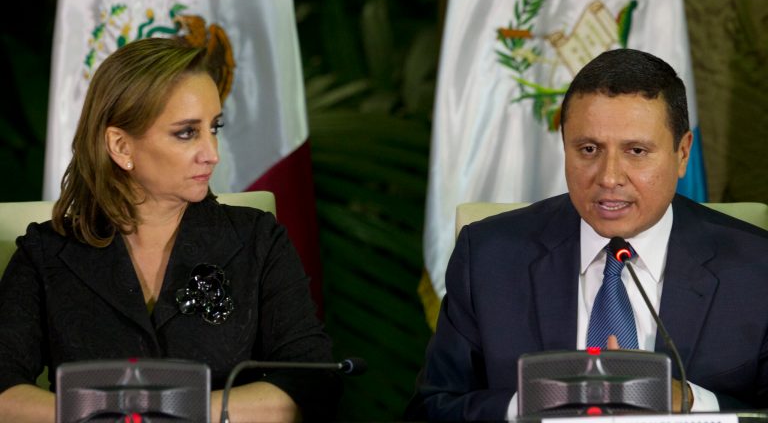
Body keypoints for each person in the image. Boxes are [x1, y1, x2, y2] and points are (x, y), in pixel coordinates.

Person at [409, 48, 768, 420]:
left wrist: (690, 402)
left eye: (637, 151)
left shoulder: (757, 269)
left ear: (682, 153)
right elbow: (431, 409)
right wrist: (536, 401)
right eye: (589, 149)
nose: (609, 177)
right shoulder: (489, 257)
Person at [0, 38, 341, 422]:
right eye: (186, 133)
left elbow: (311, 380)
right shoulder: (46, 252)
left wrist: (175, 411)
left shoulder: (259, 239)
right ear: (120, 146)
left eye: (214, 128)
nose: (212, 152)